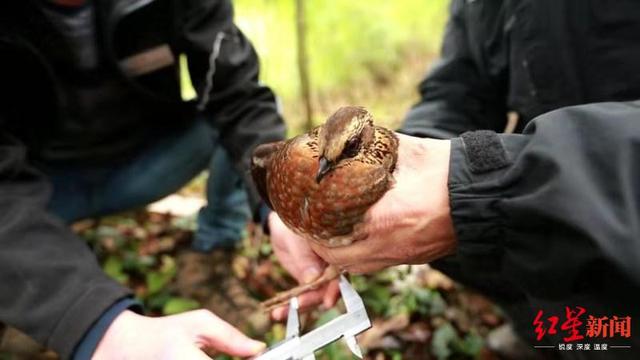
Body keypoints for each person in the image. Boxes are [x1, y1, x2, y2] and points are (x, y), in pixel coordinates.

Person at [272, 0, 640, 358]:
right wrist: (405, 170)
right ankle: (555, 333)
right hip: (544, 219)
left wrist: (496, 187)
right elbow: (460, 83)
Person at [0, 0, 336, 358]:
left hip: (146, 163)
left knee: (256, 142)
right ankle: (25, 297)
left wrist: (281, 206)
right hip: (40, 184)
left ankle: (207, 264)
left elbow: (238, 99)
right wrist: (94, 323)